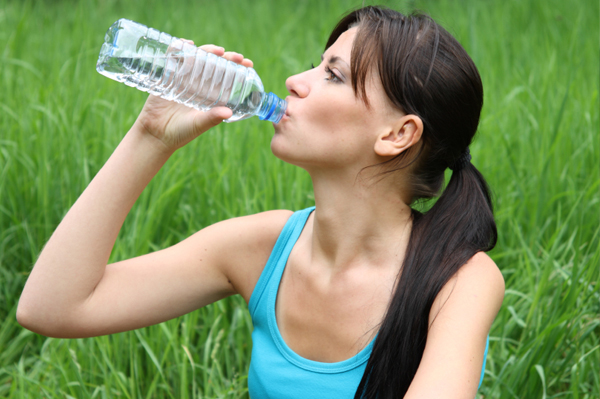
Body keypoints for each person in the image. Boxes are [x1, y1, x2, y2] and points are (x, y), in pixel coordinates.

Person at [17, 5, 505, 398]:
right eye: (318, 63)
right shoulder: (261, 247)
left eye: (332, 75)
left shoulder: (459, 281)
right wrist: (151, 136)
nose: (296, 79)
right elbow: (53, 307)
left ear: (399, 133)